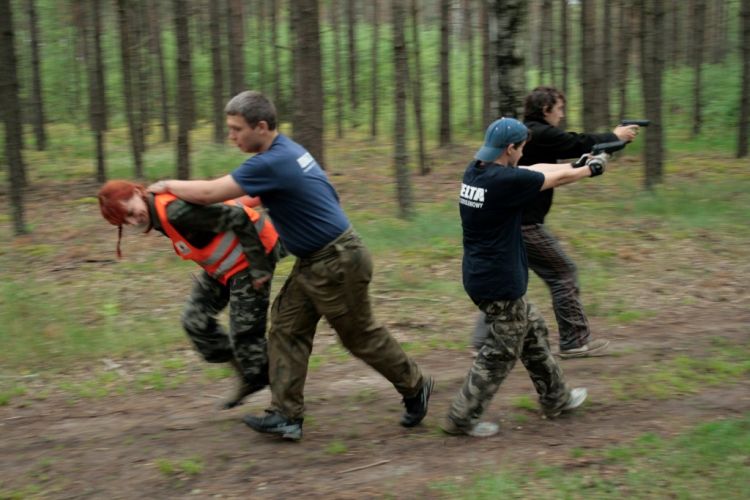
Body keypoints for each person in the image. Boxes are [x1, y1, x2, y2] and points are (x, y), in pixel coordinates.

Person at [147, 90, 433, 441]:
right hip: (319, 259)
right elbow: (262, 195)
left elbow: (209, 193)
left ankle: (415, 385)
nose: (231, 136)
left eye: (237, 129)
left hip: (336, 260)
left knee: (359, 336)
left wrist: (167, 185)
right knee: (286, 328)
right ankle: (286, 415)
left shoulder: (270, 161)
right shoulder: (287, 151)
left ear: (261, 126)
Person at [444, 117, 604, 437]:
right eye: (521, 148)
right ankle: (461, 418)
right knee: (499, 353)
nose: (522, 153)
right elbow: (552, 179)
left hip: (481, 275)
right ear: (510, 148)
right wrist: (590, 170)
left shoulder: (477, 171)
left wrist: (574, 163)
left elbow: (535, 170)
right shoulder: (504, 182)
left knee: (533, 332)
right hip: (499, 283)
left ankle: (556, 397)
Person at [471, 86, 640, 359]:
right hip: (524, 224)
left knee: (507, 281)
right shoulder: (539, 133)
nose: (561, 115)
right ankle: (574, 341)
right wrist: (611, 141)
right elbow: (575, 144)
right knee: (563, 273)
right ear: (546, 109)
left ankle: (483, 342)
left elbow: (536, 168)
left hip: (505, 223)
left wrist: (581, 165)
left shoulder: (493, 158)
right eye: (559, 109)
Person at [98, 180, 284, 409]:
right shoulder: (156, 214)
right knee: (195, 321)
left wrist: (259, 268)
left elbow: (238, 217)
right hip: (224, 267)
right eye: (124, 221)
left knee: (246, 337)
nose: (133, 221)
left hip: (253, 258)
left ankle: (286, 401)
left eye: (129, 212)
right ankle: (249, 375)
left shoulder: (174, 211)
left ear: (138, 192)